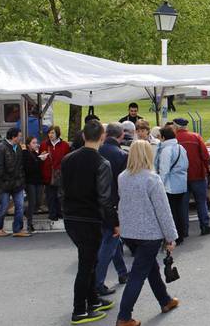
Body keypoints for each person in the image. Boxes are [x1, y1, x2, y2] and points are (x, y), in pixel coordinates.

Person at [61, 120, 119, 325]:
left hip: (71, 217)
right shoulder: (102, 163)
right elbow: (105, 199)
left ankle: (93, 300)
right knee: (86, 264)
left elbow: (62, 188)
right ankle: (79, 310)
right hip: (88, 218)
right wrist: (114, 222)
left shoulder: (68, 158)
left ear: (84, 136)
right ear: (102, 137)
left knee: (90, 260)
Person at [116, 141, 180, 326]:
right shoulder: (152, 179)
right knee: (138, 275)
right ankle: (124, 317)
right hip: (149, 234)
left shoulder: (122, 177)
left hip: (130, 233)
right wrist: (171, 236)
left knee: (150, 268)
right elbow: (163, 211)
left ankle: (165, 300)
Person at [96, 123, 130, 296]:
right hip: (113, 203)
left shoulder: (97, 151)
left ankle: (122, 272)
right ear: (121, 135)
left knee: (113, 240)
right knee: (109, 243)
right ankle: (98, 282)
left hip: (97, 203)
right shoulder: (122, 155)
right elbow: (123, 184)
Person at [174, 118, 210, 236]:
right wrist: (207, 170)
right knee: (201, 202)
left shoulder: (174, 140)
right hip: (198, 174)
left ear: (176, 127)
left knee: (183, 205)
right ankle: (205, 226)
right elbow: (205, 156)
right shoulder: (196, 137)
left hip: (181, 177)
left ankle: (184, 230)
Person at [0, 127, 29, 237]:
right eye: (19, 136)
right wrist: (6, 179)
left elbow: (20, 165)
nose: (21, 137)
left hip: (17, 183)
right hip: (5, 184)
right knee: (3, 207)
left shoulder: (17, 147)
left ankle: (17, 229)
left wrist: (21, 178)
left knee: (20, 206)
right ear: (13, 137)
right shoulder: (1, 148)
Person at [155, 126, 189, 245]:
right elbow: (186, 164)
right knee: (180, 210)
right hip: (182, 183)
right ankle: (182, 232)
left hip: (170, 185)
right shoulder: (181, 147)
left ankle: (175, 236)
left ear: (163, 137)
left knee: (172, 212)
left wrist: (159, 185)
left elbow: (164, 170)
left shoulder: (166, 150)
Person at [41, 125, 70, 221]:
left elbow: (67, 159)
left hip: (60, 174)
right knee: (50, 195)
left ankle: (60, 212)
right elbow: (41, 158)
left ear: (57, 133)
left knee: (60, 194)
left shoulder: (64, 145)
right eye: (49, 133)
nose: (50, 135)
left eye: (52, 133)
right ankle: (52, 213)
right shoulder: (44, 145)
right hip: (48, 174)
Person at [22, 136, 44, 233]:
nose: (36, 144)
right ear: (28, 145)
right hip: (30, 181)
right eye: (34, 143)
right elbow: (28, 168)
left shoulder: (35, 153)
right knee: (33, 201)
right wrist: (40, 160)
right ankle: (29, 224)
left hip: (38, 181)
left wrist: (40, 157)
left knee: (39, 201)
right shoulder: (25, 153)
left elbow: (38, 166)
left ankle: (27, 212)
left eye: (36, 142)